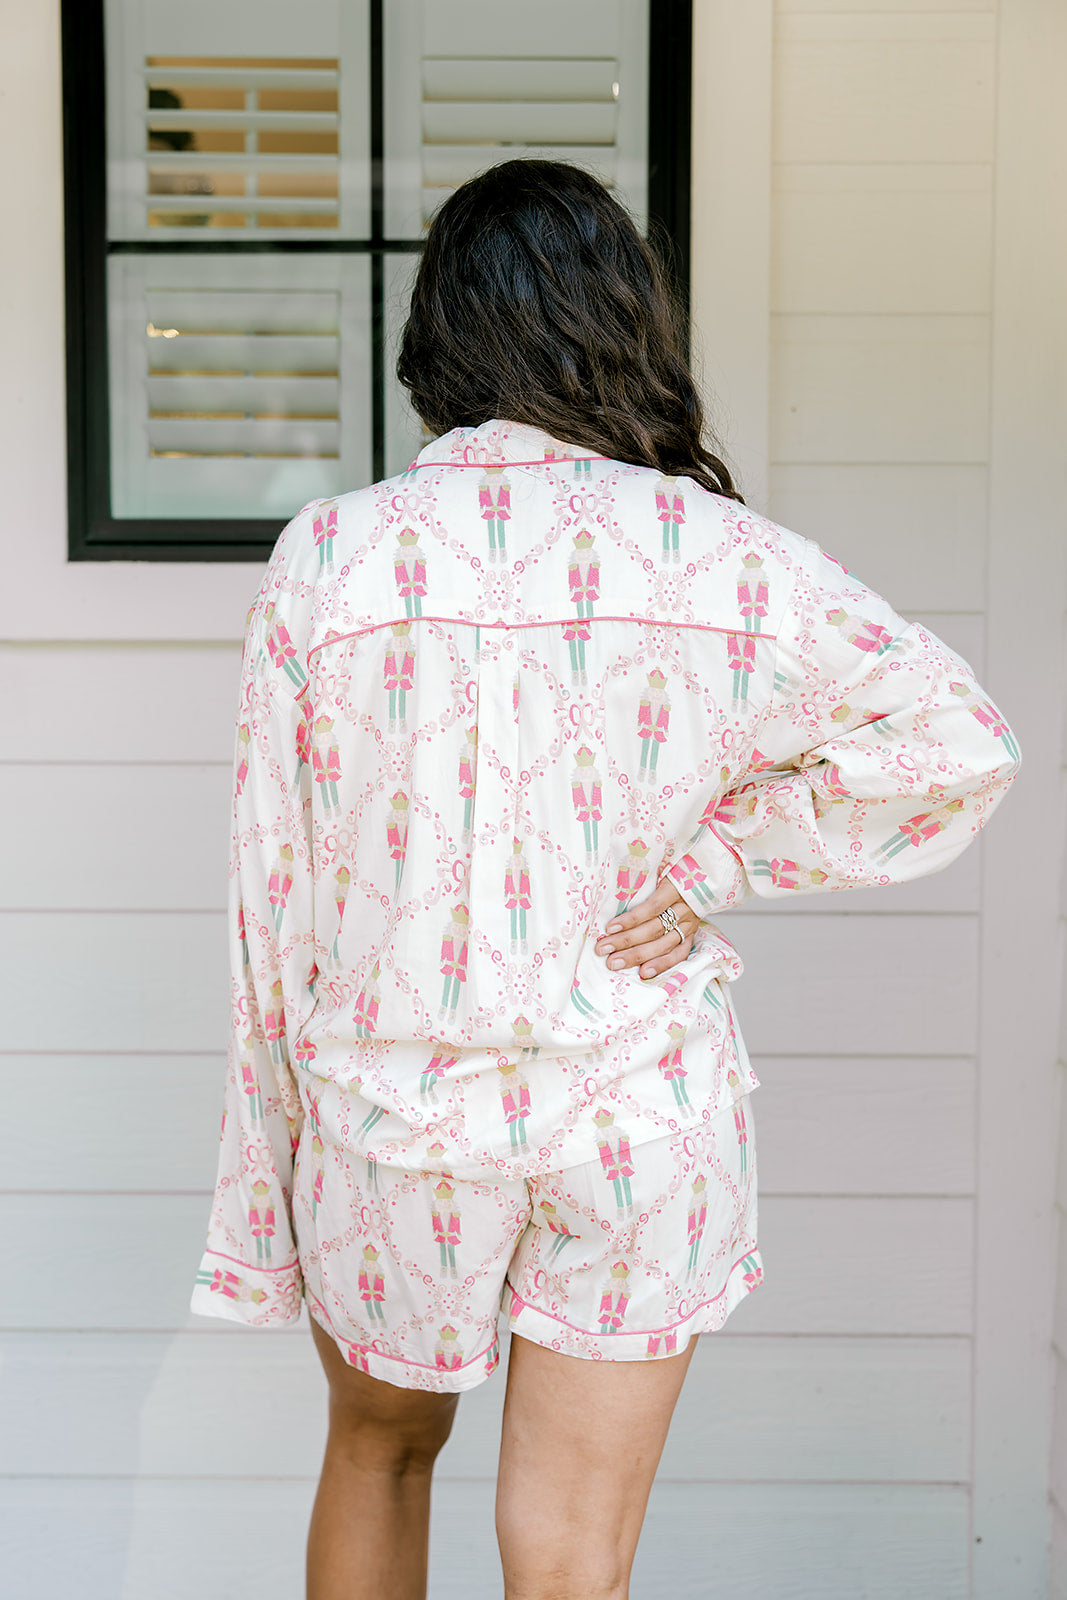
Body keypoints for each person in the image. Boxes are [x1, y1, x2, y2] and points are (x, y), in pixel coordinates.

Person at [190, 159, 1020, 1600]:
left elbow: (276, 892)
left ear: (438, 334)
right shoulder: (724, 556)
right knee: (573, 1551)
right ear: (627, 321)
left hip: (396, 1114)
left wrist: (269, 1183)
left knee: (379, 1453)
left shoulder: (333, 556)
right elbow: (958, 741)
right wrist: (721, 859)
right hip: (639, 1113)